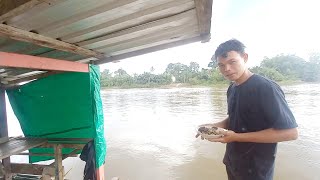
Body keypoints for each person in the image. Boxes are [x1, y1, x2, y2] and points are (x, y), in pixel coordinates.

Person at [196, 39, 298, 180]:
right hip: (233, 163)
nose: (227, 69)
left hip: (256, 170)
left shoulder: (265, 88)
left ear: (245, 58)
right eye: (221, 65)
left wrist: (236, 137)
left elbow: (290, 133)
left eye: (232, 62)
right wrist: (212, 127)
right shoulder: (232, 88)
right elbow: (235, 118)